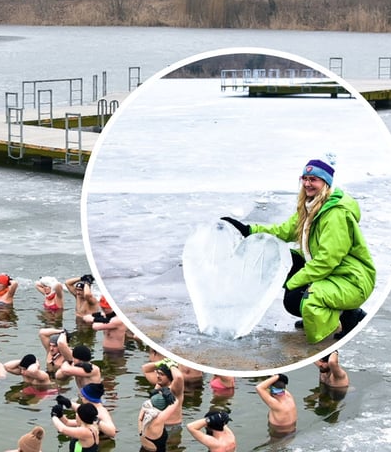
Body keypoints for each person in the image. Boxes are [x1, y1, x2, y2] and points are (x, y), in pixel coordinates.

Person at [221, 158, 376, 343]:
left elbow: (327, 260)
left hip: (351, 279)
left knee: (298, 300)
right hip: (333, 273)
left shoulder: (335, 215)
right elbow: (285, 231)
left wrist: (294, 283)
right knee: (282, 262)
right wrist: (249, 230)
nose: (308, 184)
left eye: (313, 180)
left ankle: (348, 315)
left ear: (325, 183)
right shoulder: (311, 206)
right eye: (305, 178)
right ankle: (328, 311)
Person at [141, 357, 185, 432]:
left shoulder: (176, 389)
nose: (157, 376)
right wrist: (160, 362)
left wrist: (171, 366)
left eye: (161, 374)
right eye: (157, 373)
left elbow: (178, 377)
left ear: (169, 377)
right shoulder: (159, 384)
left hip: (171, 427)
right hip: (155, 425)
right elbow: (145, 368)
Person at [137, 387, 180, 452]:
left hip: (144, 448)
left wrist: (159, 390)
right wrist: (165, 391)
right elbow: (176, 402)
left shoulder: (144, 414)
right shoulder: (158, 421)